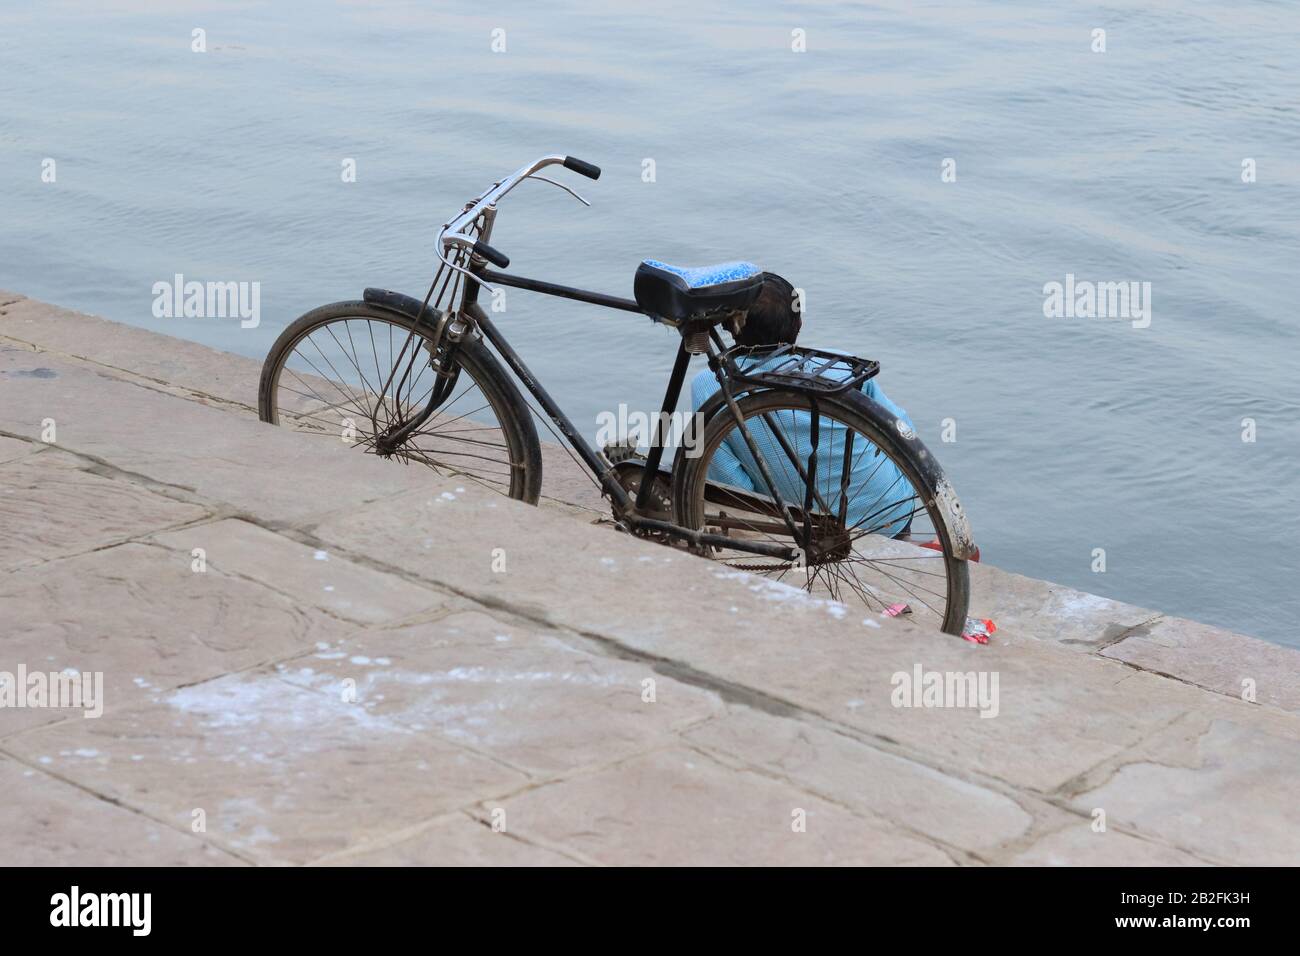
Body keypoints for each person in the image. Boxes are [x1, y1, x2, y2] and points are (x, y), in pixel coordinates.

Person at [689, 273, 916, 537]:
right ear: (798, 322)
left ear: (731, 327)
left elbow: (729, 481)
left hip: (800, 526)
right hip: (890, 516)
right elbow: (902, 431)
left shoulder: (710, 384)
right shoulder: (843, 368)